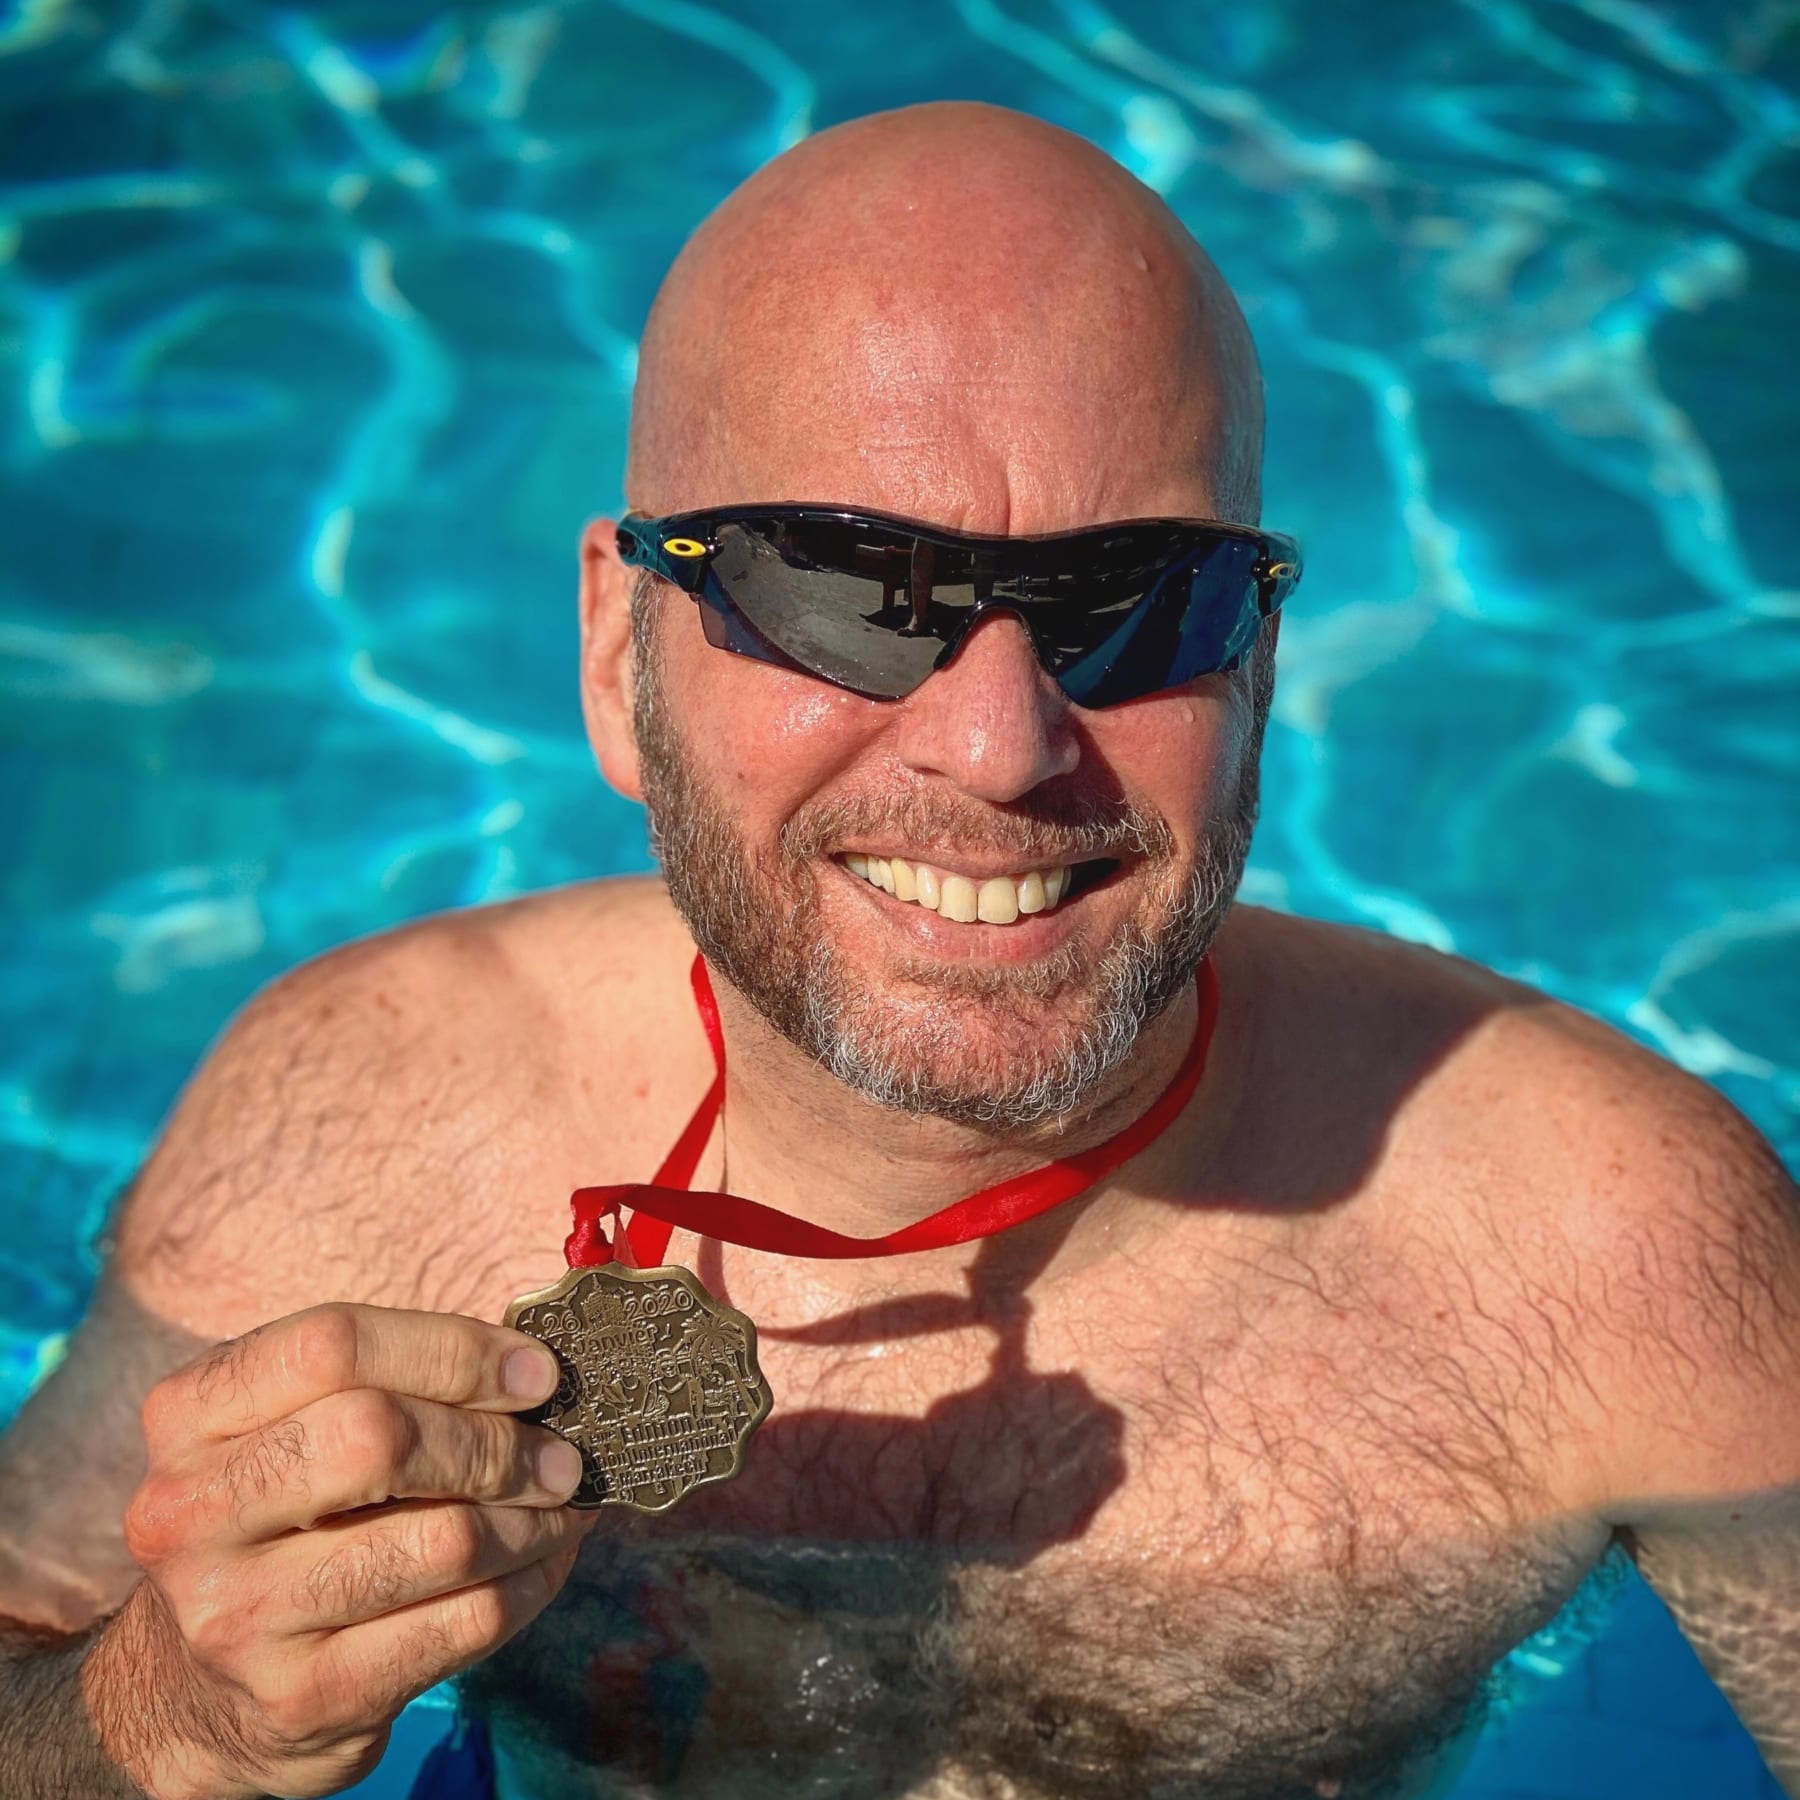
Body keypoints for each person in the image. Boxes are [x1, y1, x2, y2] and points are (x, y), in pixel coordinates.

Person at [1, 101, 1796, 1800]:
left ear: (1257, 663)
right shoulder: (353, 1118)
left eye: (1137, 598)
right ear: (620, 646)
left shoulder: (1611, 1256)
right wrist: (159, 1712)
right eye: (846, 590)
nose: (1000, 745)